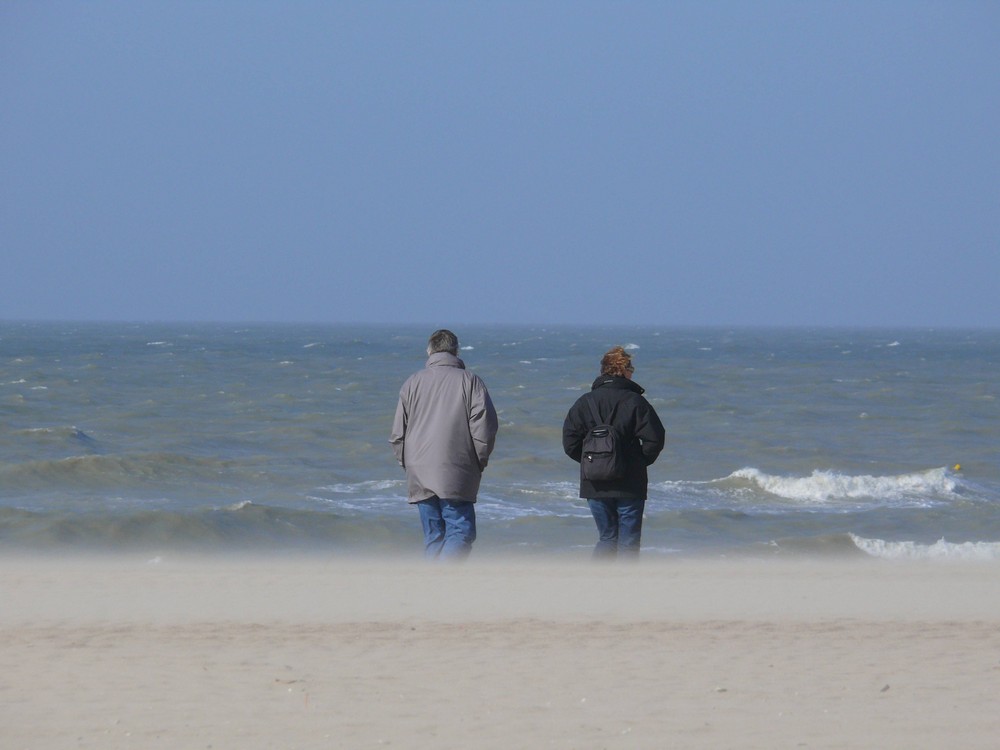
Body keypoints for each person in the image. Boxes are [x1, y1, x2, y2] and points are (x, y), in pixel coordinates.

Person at [390, 329, 498, 560]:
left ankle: (430, 586)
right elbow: (484, 430)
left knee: (434, 535)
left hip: (418, 469)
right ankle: (443, 583)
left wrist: (407, 463)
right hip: (457, 466)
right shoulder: (470, 381)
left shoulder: (412, 382)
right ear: (455, 350)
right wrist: (478, 461)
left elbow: (398, 433)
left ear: (430, 351)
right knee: (461, 531)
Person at [562, 346, 665, 559]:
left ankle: (599, 585)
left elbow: (570, 442)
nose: (632, 372)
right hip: (630, 481)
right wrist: (639, 461)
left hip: (595, 481)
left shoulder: (585, 402)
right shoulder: (635, 401)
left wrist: (592, 460)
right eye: (631, 368)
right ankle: (625, 587)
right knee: (628, 541)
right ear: (623, 370)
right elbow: (655, 438)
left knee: (607, 537)